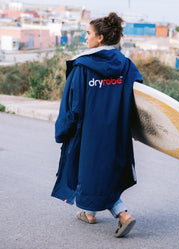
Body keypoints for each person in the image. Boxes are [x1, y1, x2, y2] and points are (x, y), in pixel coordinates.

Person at [51, 12, 143, 238]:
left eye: (88, 33)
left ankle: (123, 214)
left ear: (100, 37)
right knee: (104, 173)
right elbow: (139, 99)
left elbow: (72, 107)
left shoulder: (82, 67)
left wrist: (62, 132)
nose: (85, 38)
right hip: (117, 134)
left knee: (90, 172)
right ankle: (90, 213)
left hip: (90, 134)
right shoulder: (126, 66)